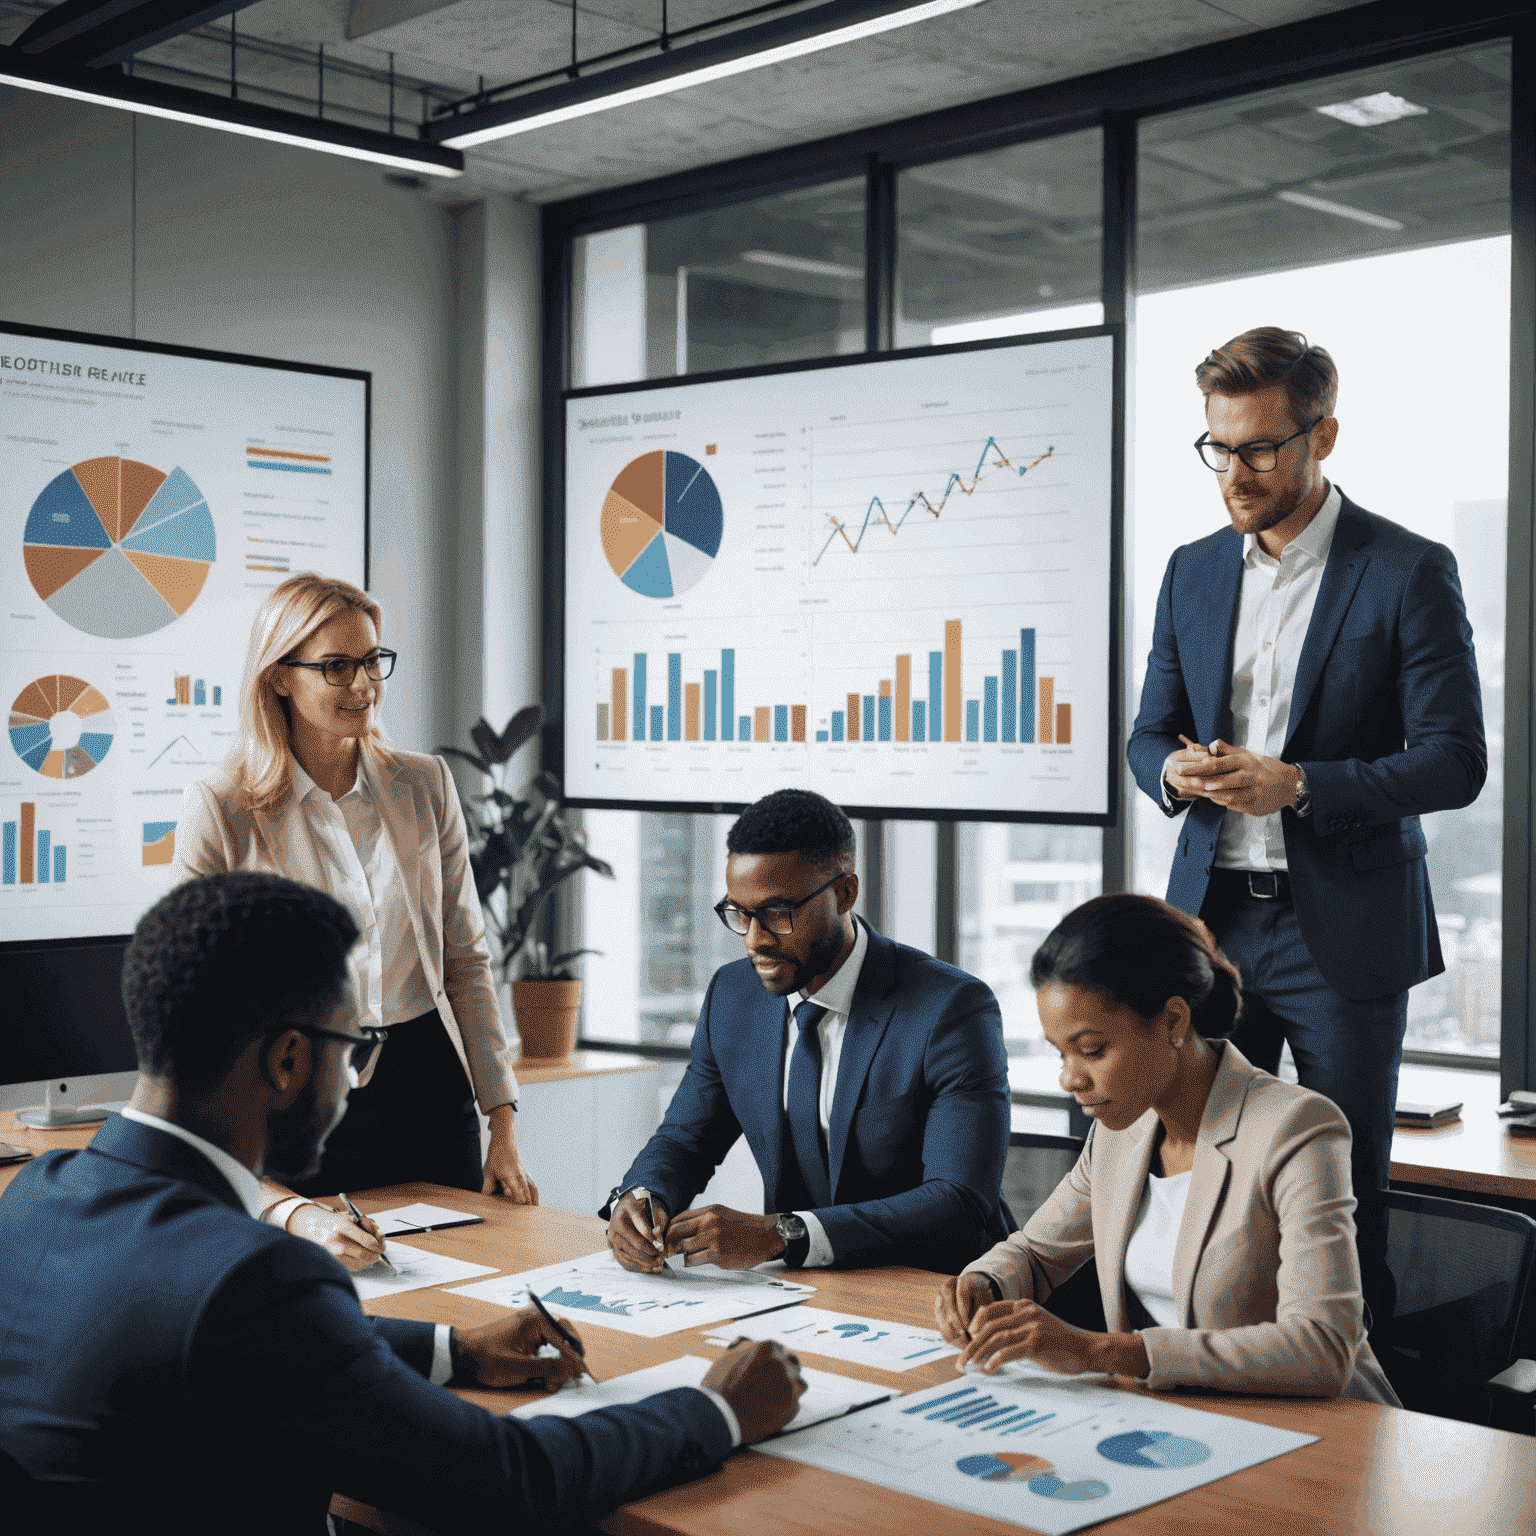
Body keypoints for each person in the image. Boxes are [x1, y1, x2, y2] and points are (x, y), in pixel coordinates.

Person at [0, 872, 807, 1533]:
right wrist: (714, 1411)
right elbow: (506, 1478)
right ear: (287, 1059)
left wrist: (452, 1348)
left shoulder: (33, 1199)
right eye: (355, 1051)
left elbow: (217, 1342)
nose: (353, 1086)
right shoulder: (256, 1280)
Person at [1126, 327, 1485, 1332]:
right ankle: (1211, 1391)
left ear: (1323, 435)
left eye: (1260, 450)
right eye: (1218, 448)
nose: (1234, 474)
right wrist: (1169, 768)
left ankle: (1356, 1426)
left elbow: (1456, 761)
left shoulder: (1407, 569)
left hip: (1342, 940)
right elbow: (1147, 729)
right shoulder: (1192, 571)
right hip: (1212, 932)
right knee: (1204, 1184)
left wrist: (1297, 785)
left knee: (1341, 1200)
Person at [172, 572, 535, 1271]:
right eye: (336, 666)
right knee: (312, 1293)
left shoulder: (424, 784)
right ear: (279, 677)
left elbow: (466, 962)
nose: (363, 684)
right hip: (295, 1093)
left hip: (427, 1085)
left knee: (465, 1281)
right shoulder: (222, 807)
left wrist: (504, 1124)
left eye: (372, 661)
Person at [934, 893, 1398, 1404]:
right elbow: (1038, 1253)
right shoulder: (1120, 1130)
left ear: (1175, 1022)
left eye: (1092, 1050)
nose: (1070, 1078)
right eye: (1061, 1052)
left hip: (1321, 1435)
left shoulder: (1297, 1128)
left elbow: (1321, 1347)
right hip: (1186, 1421)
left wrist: (1100, 1352)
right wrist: (985, 1282)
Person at [604, 788, 1012, 1275]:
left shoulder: (950, 1009)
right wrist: (643, 1196)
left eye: (777, 913)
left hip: (933, 1286)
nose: (755, 940)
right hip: (799, 1290)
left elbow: (960, 1201)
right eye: (739, 913)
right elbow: (685, 1139)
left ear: (845, 893)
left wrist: (784, 1234)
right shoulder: (733, 996)